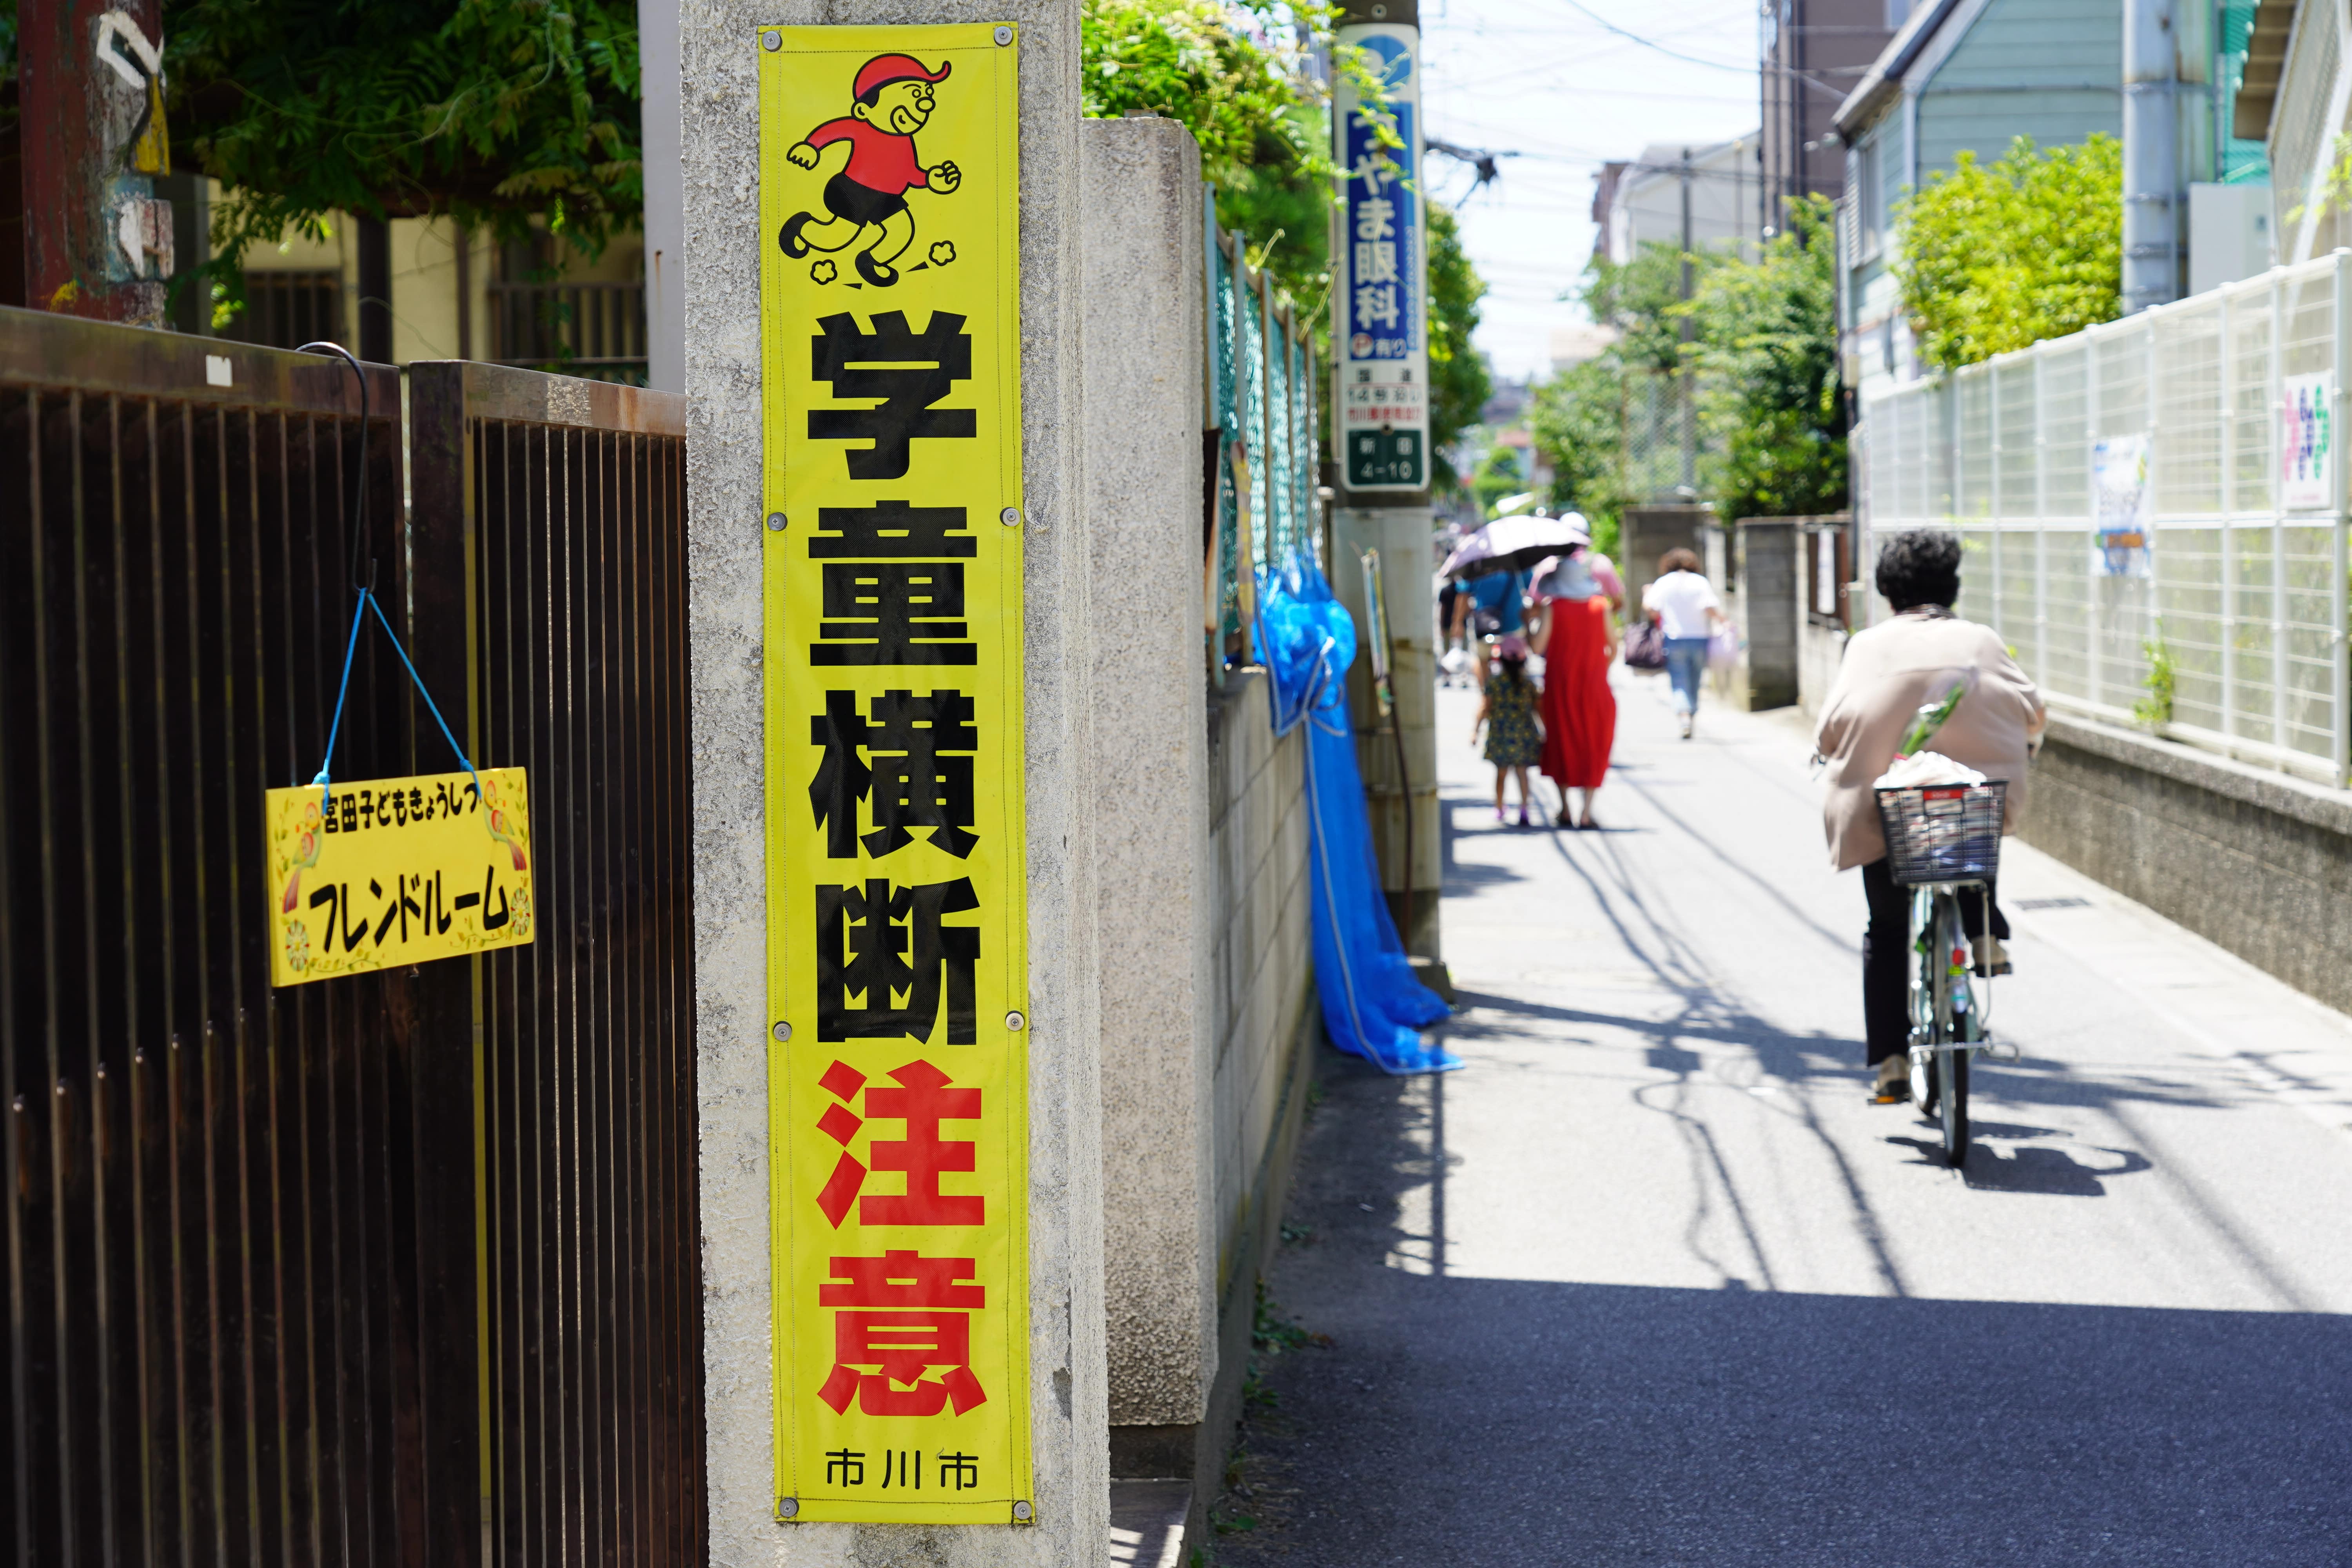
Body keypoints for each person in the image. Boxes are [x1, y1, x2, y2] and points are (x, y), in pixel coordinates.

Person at [1813, 530, 2047, 1104]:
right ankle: (1985, 929)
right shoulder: (1981, 640)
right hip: (1971, 808)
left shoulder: (1867, 646)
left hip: (1886, 811)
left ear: (1887, 590)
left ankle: (1892, 1060)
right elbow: (2033, 712)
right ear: (1952, 586)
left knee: (1888, 929)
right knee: (1967, 809)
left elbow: (1829, 730)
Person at [1528, 534, 1623, 828]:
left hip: (1559, 685)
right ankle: (1587, 811)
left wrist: (1527, 624)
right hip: (1595, 687)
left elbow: (1537, 648)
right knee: (1594, 743)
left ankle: (1565, 808)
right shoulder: (1600, 606)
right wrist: (1597, 669)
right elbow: (1614, 649)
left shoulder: (1552, 607)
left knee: (1561, 741)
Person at [1641, 547, 1725, 739]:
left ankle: (1684, 715)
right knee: (1696, 679)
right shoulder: (1700, 582)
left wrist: (1647, 593)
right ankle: (1691, 713)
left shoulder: (1664, 582)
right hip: (1700, 638)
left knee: (1679, 679)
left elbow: (1652, 609)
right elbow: (1710, 608)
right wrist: (1724, 622)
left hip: (1674, 639)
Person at [1472, 633, 1544, 826]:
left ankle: (1499, 807)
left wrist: (1475, 731)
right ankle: (1524, 809)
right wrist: (1546, 732)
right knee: (1522, 773)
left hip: (1500, 735)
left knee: (1501, 774)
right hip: (1524, 735)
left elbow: (1485, 708)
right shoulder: (1528, 685)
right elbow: (1539, 710)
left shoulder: (1495, 684)